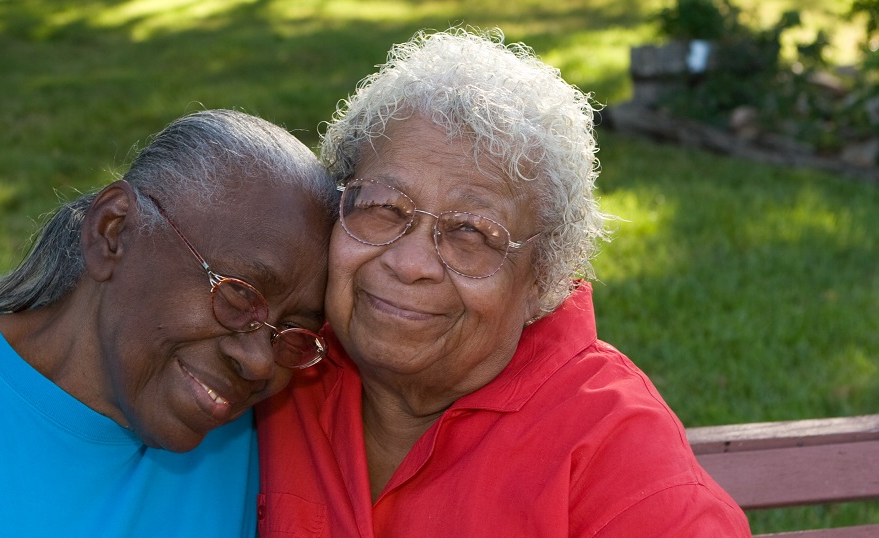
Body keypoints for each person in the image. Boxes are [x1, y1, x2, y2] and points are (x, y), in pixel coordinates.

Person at [255, 28, 752, 537]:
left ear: (543, 276)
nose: (409, 263)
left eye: (471, 232)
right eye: (384, 207)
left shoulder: (618, 457)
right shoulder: (270, 367)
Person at [0, 109, 338, 537]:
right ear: (113, 232)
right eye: (238, 296)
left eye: (293, 332)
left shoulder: (252, 445)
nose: (260, 360)